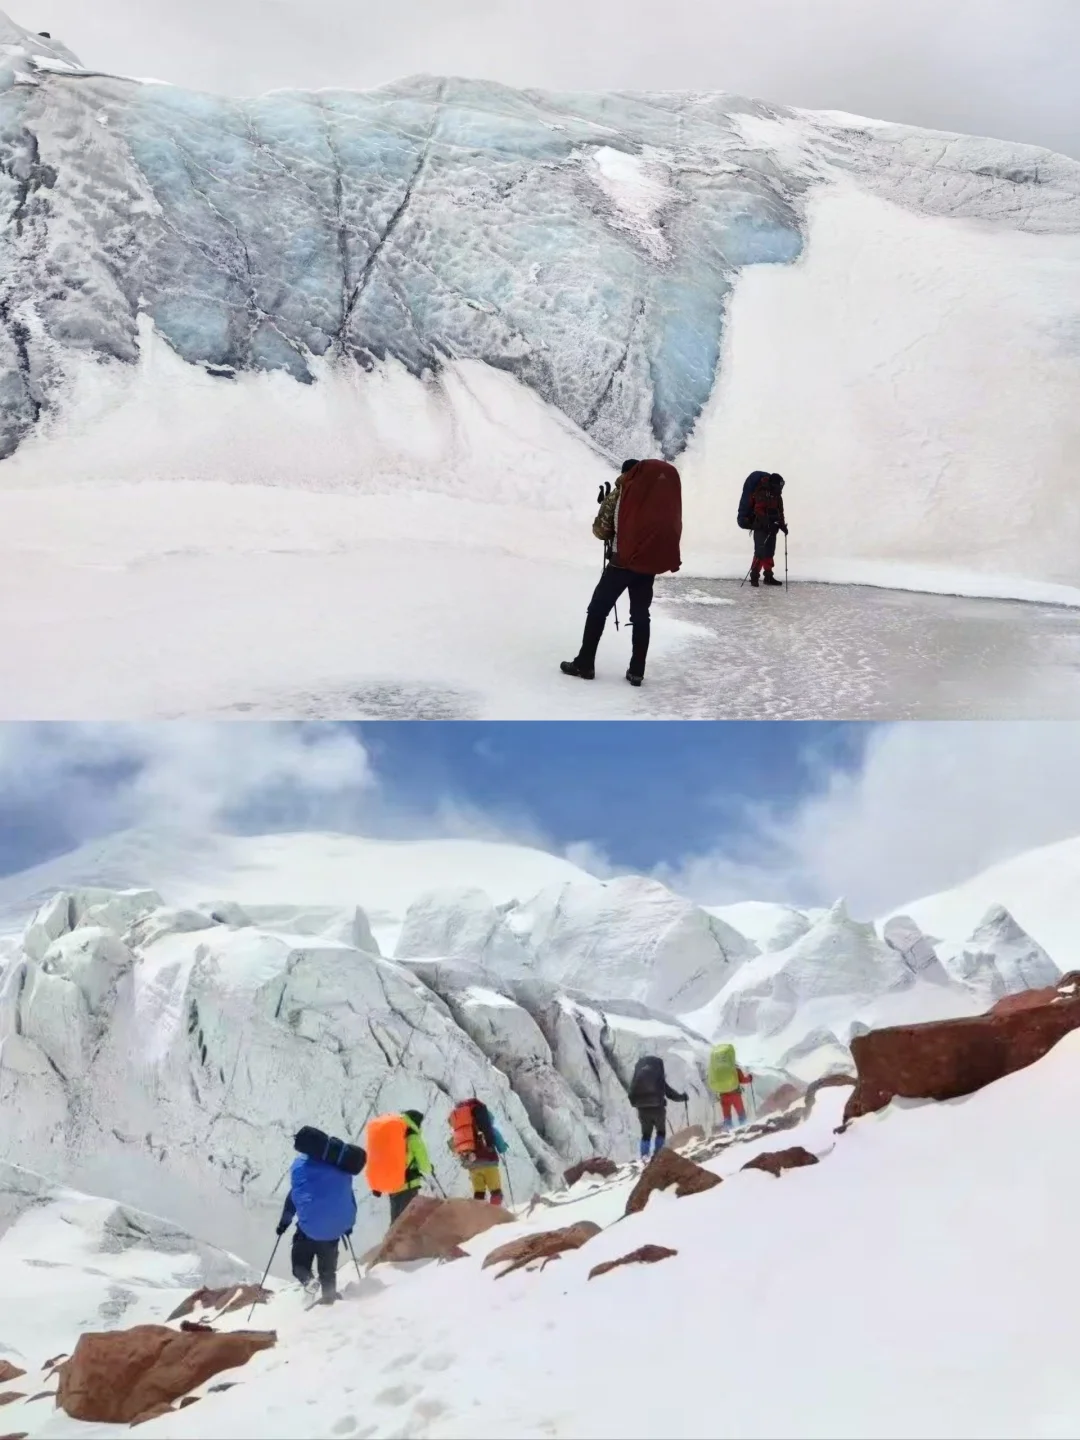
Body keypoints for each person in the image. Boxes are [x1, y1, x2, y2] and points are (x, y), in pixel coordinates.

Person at [561, 457, 682, 687]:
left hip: (621, 564)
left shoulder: (620, 492)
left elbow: (601, 530)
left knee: (597, 609)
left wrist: (604, 508)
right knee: (640, 615)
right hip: (647, 565)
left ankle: (585, 663)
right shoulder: (654, 497)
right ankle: (637, 671)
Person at [276, 1148, 359, 1305]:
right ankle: (330, 1300)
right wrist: (347, 1227)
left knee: (299, 1265)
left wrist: (283, 1225)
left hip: (306, 1233)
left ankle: (308, 1281)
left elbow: (291, 1204)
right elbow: (348, 1203)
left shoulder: (304, 1178)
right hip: (331, 1235)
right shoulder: (338, 1178)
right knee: (328, 1272)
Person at [367, 1109, 432, 1223]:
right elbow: (424, 1165)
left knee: (396, 1221)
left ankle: (393, 1240)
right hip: (408, 1185)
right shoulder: (413, 1137)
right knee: (408, 1222)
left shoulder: (394, 1135)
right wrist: (430, 1168)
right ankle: (406, 1241)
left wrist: (376, 1186)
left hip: (392, 1184)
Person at [448, 1097, 509, 1205]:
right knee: (496, 1192)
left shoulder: (461, 1129)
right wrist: (503, 1147)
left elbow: (453, 1144)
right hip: (488, 1161)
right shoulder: (487, 1128)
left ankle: (479, 1217)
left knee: (479, 1193)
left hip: (472, 1164)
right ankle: (494, 1215)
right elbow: (498, 1140)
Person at [627, 1054, 689, 1160]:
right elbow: (670, 1094)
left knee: (646, 1134)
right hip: (658, 1109)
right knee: (661, 1132)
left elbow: (631, 1094)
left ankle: (644, 1155)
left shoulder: (638, 1078)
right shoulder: (658, 1080)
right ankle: (658, 1154)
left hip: (642, 1110)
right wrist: (683, 1097)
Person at [747, 472, 787, 588]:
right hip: (761, 527)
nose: (781, 487)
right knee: (760, 552)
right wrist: (768, 523)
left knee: (769, 552)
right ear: (774, 484)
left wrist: (782, 525)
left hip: (772, 528)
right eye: (779, 485)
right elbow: (758, 510)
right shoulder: (762, 492)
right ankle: (754, 576)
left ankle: (768, 577)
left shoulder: (777, 496)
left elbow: (780, 512)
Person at [707, 1043, 753, 1129]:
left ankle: (728, 1129)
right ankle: (744, 1127)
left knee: (727, 1114)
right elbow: (742, 1080)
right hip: (735, 1094)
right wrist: (750, 1078)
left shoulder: (718, 1072)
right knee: (740, 1112)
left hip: (723, 1095)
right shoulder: (735, 1069)